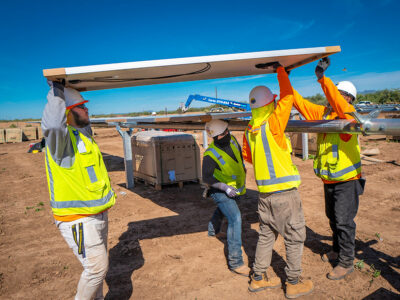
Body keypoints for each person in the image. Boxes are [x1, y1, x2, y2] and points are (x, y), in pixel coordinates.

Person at [243, 64, 313, 299]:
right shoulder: (273, 124)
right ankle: (293, 282)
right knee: (294, 237)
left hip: (264, 195)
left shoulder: (249, 130)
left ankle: (259, 278)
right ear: (269, 104)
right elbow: (289, 96)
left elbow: (248, 158)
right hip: (284, 194)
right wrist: (282, 72)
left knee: (266, 234)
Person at [42, 81, 116, 300]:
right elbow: (54, 125)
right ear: (67, 113)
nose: (87, 109)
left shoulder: (83, 136)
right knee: (96, 269)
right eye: (81, 107)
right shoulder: (60, 143)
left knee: (98, 271)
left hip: (97, 214)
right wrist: (57, 90)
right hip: (78, 218)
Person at [292, 57, 364, 280]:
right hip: (330, 180)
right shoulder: (324, 114)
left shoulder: (348, 115)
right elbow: (300, 103)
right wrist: (283, 77)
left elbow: (340, 104)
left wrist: (322, 78)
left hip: (348, 180)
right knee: (333, 218)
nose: (333, 96)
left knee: (343, 220)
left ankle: (346, 261)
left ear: (348, 98)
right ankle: (337, 250)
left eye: (339, 93)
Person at [202, 119, 249, 276]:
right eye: (223, 134)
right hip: (219, 190)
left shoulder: (233, 139)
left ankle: (212, 230)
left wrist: (242, 166)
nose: (227, 135)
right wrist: (224, 187)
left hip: (234, 186)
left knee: (225, 210)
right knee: (235, 218)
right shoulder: (210, 155)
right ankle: (236, 263)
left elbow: (237, 155)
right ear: (215, 137)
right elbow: (207, 178)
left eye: (227, 131)